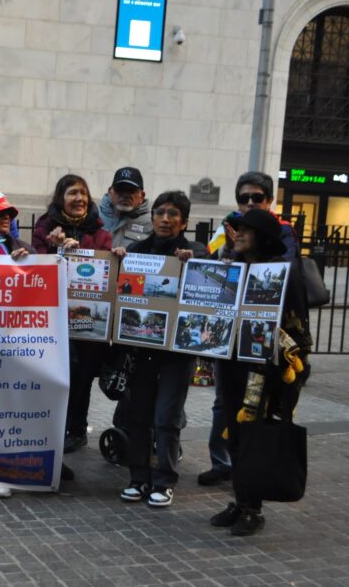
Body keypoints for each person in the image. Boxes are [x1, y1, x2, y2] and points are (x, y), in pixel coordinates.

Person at [210, 208, 311, 535]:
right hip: (231, 362)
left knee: (254, 434)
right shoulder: (235, 269)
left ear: (263, 238)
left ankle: (253, 508)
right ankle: (240, 500)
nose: (236, 234)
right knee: (234, 433)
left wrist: (288, 370)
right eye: (236, 229)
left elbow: (298, 329)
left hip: (263, 368)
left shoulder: (284, 273)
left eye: (245, 231)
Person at [199, 171, 298, 487]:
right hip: (228, 334)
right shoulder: (228, 228)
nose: (250, 203)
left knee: (256, 407)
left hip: (261, 340)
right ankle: (224, 464)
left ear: (270, 200)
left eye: (257, 197)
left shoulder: (281, 233)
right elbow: (210, 265)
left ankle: (251, 489)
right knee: (223, 403)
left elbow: (286, 275)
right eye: (244, 198)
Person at [116, 191, 207, 508]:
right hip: (141, 350)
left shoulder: (194, 251)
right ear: (151, 216)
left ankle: (165, 480)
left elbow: (208, 275)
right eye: (160, 212)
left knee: (167, 416)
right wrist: (116, 259)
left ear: (184, 221)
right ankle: (138, 478)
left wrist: (193, 263)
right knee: (138, 416)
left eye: (173, 214)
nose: (165, 219)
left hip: (175, 354)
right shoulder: (136, 250)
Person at [32, 174, 113, 454]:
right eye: (72, 193)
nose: (79, 198)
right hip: (53, 317)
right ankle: (52, 427)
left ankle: (77, 429)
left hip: (85, 316)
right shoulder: (45, 227)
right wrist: (55, 249)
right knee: (58, 373)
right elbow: (37, 266)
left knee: (82, 374)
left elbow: (102, 270)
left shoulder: (101, 233)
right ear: (60, 198)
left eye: (83, 193)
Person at [99, 166, 152, 249]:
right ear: (110, 192)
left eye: (131, 190)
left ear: (142, 196)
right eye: (120, 189)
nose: (125, 195)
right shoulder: (94, 215)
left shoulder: (152, 222)